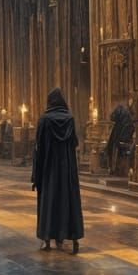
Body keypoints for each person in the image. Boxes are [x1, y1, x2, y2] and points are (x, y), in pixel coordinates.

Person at [31, 88, 84, 254]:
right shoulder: (69, 119)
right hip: (67, 171)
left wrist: (36, 175)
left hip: (48, 170)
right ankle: (71, 237)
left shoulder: (44, 120)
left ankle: (47, 239)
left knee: (49, 202)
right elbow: (75, 142)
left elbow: (38, 148)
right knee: (67, 202)